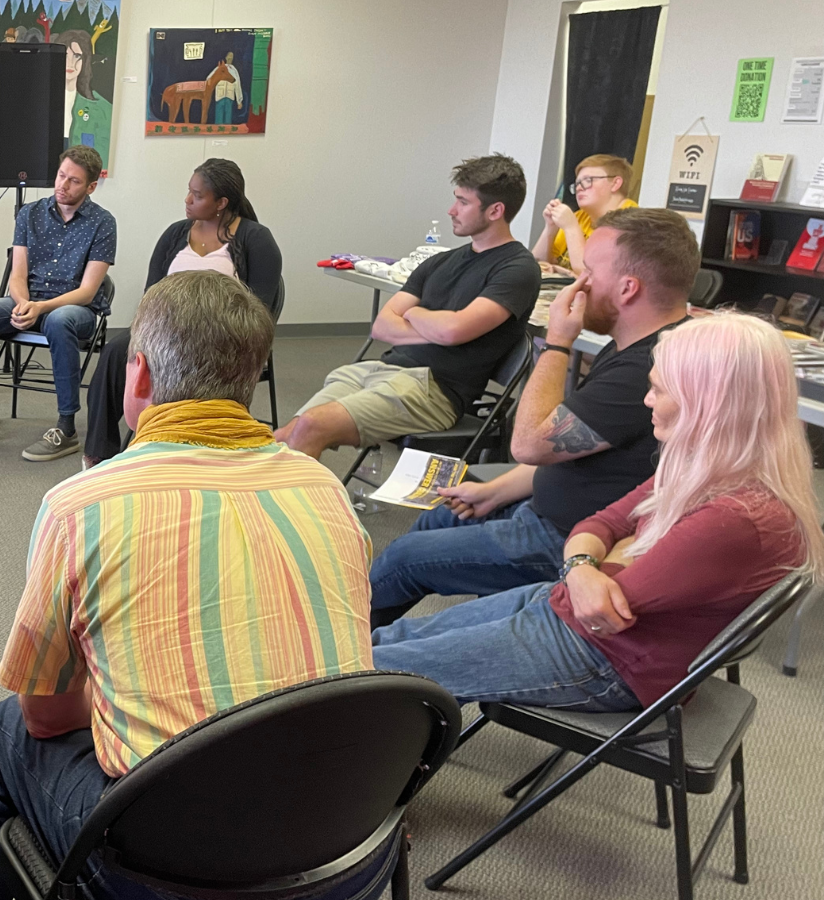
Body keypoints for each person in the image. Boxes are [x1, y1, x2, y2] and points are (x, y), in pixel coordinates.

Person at [0, 271, 376, 900]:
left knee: (1, 729)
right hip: (344, 852)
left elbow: (46, 718)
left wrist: (127, 694)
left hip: (174, 869)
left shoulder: (81, 505)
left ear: (137, 375)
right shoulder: (327, 490)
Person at [373, 312, 824, 712]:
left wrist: (592, 562)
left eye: (659, 390)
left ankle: (353, 784)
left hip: (609, 659)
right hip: (570, 610)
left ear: (709, 405)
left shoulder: (738, 515)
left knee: (371, 669)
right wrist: (589, 564)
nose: (647, 400)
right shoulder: (704, 465)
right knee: (384, 646)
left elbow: (602, 604)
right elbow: (601, 524)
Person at [366, 207, 694, 626]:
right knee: (438, 519)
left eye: (589, 272)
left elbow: (529, 444)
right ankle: (362, 646)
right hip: (546, 506)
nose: (579, 283)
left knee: (403, 560)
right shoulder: (636, 344)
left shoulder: (645, 369)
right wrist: (499, 490)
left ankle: (343, 662)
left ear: (628, 288)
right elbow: (578, 443)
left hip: (570, 539)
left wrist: (557, 343)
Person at [278, 154, 540, 462]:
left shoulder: (517, 268)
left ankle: (293, 510)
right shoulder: (440, 261)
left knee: (311, 427)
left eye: (463, 202)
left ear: (496, 210)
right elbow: (382, 326)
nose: (451, 210)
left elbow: (454, 330)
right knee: (285, 435)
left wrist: (415, 314)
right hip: (382, 370)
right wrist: (437, 328)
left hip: (435, 391)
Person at [82, 158, 281, 466]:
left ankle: (171, 443)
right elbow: (151, 294)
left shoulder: (256, 240)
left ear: (222, 202)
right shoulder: (175, 235)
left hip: (223, 341)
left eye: (197, 195)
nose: (188, 200)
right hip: (165, 334)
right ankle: (98, 455)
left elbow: (259, 314)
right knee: (114, 353)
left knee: (176, 366)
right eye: (189, 192)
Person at [0, 145, 116, 461]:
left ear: (91, 186)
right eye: (61, 176)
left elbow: (89, 291)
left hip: (75, 310)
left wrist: (40, 308)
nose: (63, 186)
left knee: (59, 319)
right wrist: (25, 304)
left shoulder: (103, 222)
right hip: (29, 300)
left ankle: (66, 429)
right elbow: (17, 274)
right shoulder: (30, 213)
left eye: (74, 181)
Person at [533, 154, 637, 275]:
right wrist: (550, 227)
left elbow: (592, 274)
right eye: (577, 184)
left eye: (588, 180)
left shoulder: (631, 221)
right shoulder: (580, 217)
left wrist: (571, 227)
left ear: (615, 183)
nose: (579, 188)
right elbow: (535, 264)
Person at [54, 30, 111, 156]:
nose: (70, 63)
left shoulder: (101, 108)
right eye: (66, 56)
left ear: (84, 61)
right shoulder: (40, 101)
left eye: (77, 56)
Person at [212, 50, 244, 124]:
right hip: (220, 96)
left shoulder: (234, 70)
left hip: (229, 97)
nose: (230, 58)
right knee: (218, 120)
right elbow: (210, 78)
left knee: (228, 120)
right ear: (226, 57)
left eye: (232, 56)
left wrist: (239, 101)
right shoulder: (219, 68)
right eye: (229, 56)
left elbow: (237, 84)